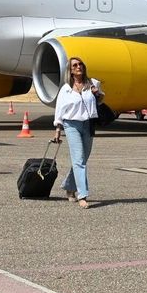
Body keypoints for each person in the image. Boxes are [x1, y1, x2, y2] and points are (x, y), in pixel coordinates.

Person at [52, 57, 104, 208]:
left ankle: (69, 186)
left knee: (82, 159)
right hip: (71, 125)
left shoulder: (92, 83)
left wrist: (97, 93)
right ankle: (83, 195)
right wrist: (58, 129)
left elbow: (100, 100)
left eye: (80, 64)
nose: (78, 67)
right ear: (70, 70)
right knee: (79, 159)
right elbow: (59, 110)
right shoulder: (66, 89)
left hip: (88, 124)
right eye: (75, 65)